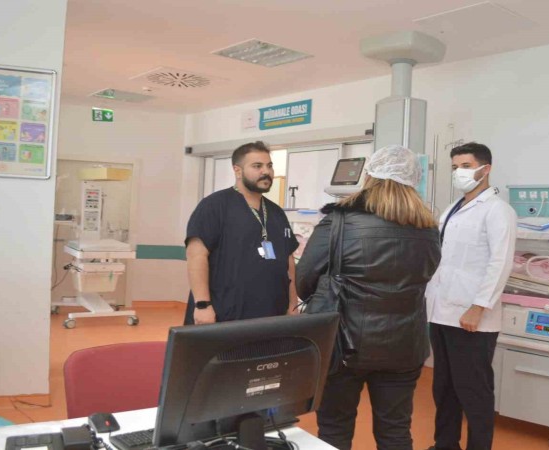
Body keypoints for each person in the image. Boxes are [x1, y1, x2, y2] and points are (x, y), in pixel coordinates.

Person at [297, 145, 441, 450]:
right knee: (396, 431)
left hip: (343, 344)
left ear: (369, 176)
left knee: (335, 429)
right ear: (414, 180)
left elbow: (305, 280)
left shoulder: (339, 222)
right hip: (405, 344)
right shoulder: (428, 228)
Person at [424, 142, 517, 450]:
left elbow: (500, 262)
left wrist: (478, 307)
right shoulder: (453, 208)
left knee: (474, 391)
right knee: (444, 388)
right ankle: (445, 445)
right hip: (442, 312)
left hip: (472, 318)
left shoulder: (498, 211)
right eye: (455, 168)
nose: (458, 173)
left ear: (485, 169)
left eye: (465, 166)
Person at [183, 141, 299, 325]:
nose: (266, 171)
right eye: (257, 166)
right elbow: (196, 256)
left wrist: (293, 304)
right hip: (225, 312)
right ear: (237, 170)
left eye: (269, 166)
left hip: (272, 313)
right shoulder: (214, 206)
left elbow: (288, 261)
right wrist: (202, 305)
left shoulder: (276, 212)